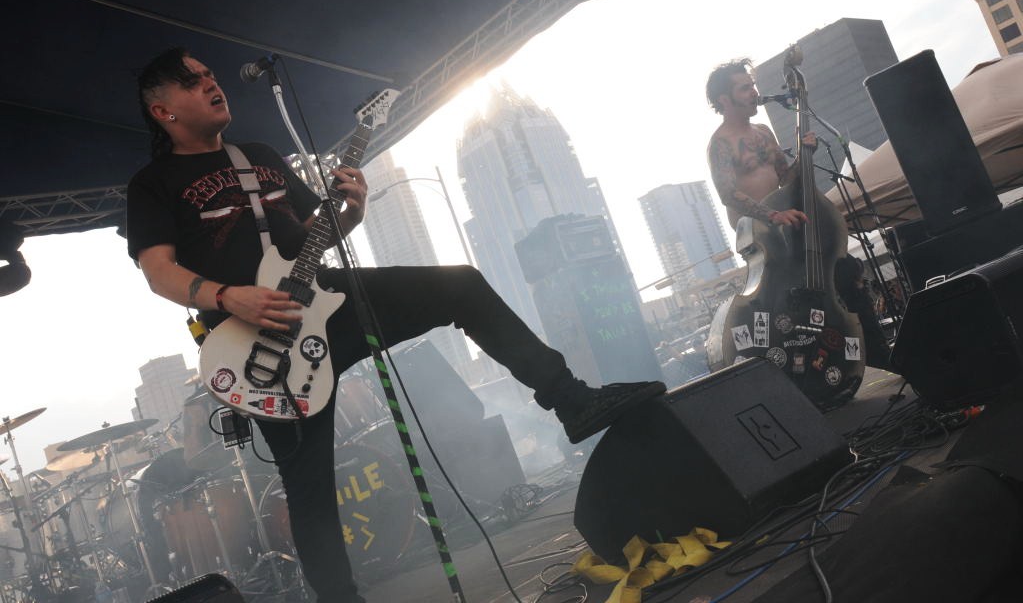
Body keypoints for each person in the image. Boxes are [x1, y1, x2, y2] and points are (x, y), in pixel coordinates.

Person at [126, 47, 664, 602]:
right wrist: (226, 296)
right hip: (258, 344)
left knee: (460, 285)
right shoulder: (153, 184)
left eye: (211, 74)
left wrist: (351, 214)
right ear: (164, 110)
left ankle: (571, 400)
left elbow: (308, 238)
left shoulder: (258, 155)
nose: (211, 83)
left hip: (327, 298)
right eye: (194, 81)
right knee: (308, 482)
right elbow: (158, 271)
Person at [704, 58, 890, 370]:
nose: (754, 92)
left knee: (845, 273)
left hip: (791, 227)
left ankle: (878, 355)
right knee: (784, 307)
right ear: (724, 99)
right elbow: (727, 193)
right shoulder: (720, 144)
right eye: (745, 88)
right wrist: (772, 215)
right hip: (763, 238)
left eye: (753, 85)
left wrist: (805, 154)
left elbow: (785, 178)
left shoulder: (763, 133)